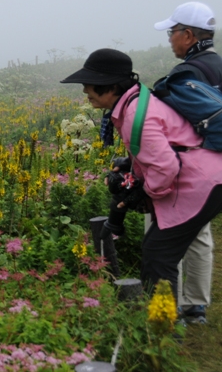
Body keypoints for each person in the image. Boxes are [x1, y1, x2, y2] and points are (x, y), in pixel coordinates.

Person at [60, 48, 222, 302]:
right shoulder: (135, 103)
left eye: (89, 84)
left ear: (109, 86)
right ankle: (163, 322)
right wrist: (132, 166)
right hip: (204, 176)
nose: (85, 91)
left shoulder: (136, 113)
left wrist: (143, 193)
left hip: (201, 182)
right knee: (158, 251)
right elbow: (164, 146)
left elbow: (166, 166)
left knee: (159, 255)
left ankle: (162, 328)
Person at [154, 1, 222, 324]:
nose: (169, 39)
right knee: (200, 233)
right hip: (217, 169)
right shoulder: (217, 64)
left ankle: (169, 307)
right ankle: (196, 305)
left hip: (193, 168)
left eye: (173, 32)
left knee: (168, 233)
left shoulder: (187, 73)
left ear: (189, 35)